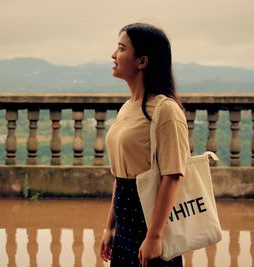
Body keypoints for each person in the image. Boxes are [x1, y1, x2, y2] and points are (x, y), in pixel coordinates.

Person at [100, 22, 190, 267]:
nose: (113, 55)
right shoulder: (127, 107)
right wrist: (110, 227)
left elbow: (172, 176)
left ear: (142, 61)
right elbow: (121, 178)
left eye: (121, 48)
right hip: (124, 220)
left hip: (150, 221)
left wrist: (154, 236)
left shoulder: (165, 110)